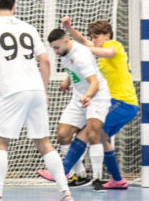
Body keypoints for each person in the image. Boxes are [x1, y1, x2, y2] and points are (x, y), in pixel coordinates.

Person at [0, 0, 75, 201]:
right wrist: (44, 91)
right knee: (44, 142)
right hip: (35, 89)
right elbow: (45, 61)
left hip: (13, 91)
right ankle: (65, 192)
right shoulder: (29, 28)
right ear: (15, 5)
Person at [62, 17, 139, 190]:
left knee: (88, 131)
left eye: (97, 37)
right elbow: (84, 41)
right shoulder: (99, 48)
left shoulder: (113, 45)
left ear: (107, 35)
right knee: (102, 138)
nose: (94, 40)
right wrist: (69, 28)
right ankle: (117, 180)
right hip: (117, 103)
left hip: (123, 102)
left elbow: (107, 52)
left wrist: (83, 48)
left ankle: (62, 171)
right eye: (93, 37)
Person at [36, 28, 111, 188]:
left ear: (66, 40)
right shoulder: (65, 53)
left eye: (57, 48)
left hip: (96, 97)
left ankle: (97, 179)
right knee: (63, 135)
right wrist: (67, 81)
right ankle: (80, 175)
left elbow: (95, 83)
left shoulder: (81, 55)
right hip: (79, 98)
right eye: (53, 48)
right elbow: (74, 70)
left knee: (93, 133)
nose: (56, 52)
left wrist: (87, 97)